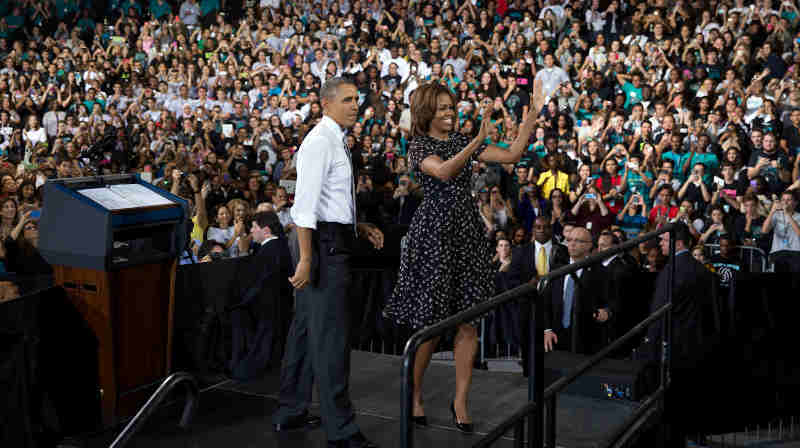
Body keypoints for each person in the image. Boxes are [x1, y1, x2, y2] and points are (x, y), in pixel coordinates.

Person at [383, 80, 543, 432]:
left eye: (452, 107)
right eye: (443, 108)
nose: (450, 112)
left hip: (467, 234)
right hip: (434, 235)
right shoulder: (419, 145)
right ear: (427, 111)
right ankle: (414, 393)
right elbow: (443, 171)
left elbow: (513, 154)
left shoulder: (461, 141)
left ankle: (460, 400)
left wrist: (531, 117)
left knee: (468, 321)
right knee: (430, 324)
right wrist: (475, 139)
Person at [272, 77, 384, 448]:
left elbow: (328, 204)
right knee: (332, 339)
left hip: (329, 238)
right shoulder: (320, 142)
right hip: (320, 248)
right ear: (326, 103)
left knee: (305, 331)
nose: (356, 105)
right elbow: (303, 208)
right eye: (348, 100)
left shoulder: (334, 139)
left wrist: (359, 226)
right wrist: (306, 259)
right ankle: (342, 430)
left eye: (357, 99)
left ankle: (290, 411)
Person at [642, 223, 718, 448]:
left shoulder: (672, 269)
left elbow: (659, 310)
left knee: (674, 401)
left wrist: (649, 344)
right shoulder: (702, 270)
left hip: (673, 346)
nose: (661, 244)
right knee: (693, 395)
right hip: (698, 344)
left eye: (664, 240)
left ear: (678, 242)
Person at [229, 211, 293, 380]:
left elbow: (256, 283)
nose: (251, 230)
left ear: (266, 230)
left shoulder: (268, 251)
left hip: (266, 310)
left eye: (254, 227)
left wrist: (239, 303)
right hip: (279, 307)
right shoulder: (279, 246)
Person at [507, 214, 569, 376]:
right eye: (538, 227)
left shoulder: (562, 250)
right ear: (533, 229)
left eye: (545, 227)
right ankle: (529, 376)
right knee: (528, 344)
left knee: (553, 346)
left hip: (554, 307)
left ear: (551, 229)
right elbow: (511, 280)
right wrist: (527, 285)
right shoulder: (521, 251)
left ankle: (552, 376)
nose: (541, 230)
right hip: (528, 307)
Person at [542, 226, 610, 354]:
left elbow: (609, 301)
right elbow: (547, 302)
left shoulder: (600, 272)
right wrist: (547, 330)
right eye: (569, 240)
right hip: (556, 338)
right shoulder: (557, 269)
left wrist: (606, 311)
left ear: (589, 245)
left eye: (578, 241)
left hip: (585, 339)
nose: (572, 244)